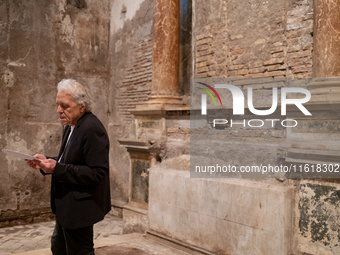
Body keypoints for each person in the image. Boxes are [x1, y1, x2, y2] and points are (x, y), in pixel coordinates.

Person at [26, 79, 111, 255]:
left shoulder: (92, 128)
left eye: (64, 106)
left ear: (82, 106)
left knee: (80, 251)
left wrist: (56, 168)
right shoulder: (71, 125)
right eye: (58, 105)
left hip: (81, 205)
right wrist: (46, 161)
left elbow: (97, 172)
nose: (58, 110)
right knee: (58, 247)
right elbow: (70, 160)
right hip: (67, 204)